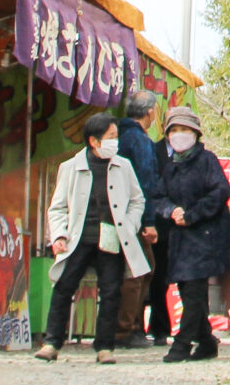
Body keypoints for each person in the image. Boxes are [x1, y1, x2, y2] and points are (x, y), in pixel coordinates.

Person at [37, 111, 149, 362]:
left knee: (110, 291)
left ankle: (104, 347)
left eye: (116, 136)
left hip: (111, 238)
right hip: (78, 238)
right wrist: (59, 235)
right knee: (64, 287)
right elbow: (57, 207)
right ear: (94, 141)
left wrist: (130, 225)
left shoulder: (124, 166)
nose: (115, 142)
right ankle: (52, 342)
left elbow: (137, 200)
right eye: (110, 137)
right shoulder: (70, 168)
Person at [151, 107, 230, 362]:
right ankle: (207, 341)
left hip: (206, 236)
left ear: (195, 133)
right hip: (180, 239)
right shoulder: (172, 165)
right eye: (174, 130)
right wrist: (171, 211)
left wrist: (192, 214)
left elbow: (220, 192)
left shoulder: (206, 160)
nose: (179, 135)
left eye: (184, 130)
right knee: (187, 289)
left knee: (195, 290)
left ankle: (182, 344)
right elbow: (158, 196)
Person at [112, 90, 169, 343]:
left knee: (134, 270)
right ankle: (128, 328)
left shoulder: (118, 136)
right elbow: (146, 182)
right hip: (134, 216)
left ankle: (129, 325)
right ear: (150, 112)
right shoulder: (140, 141)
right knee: (140, 271)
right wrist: (149, 222)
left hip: (115, 213)